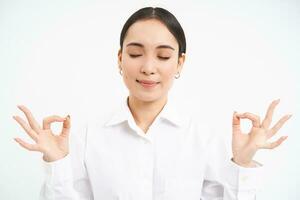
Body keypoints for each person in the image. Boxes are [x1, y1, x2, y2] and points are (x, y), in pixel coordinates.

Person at [13, 7, 292, 200]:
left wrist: (241, 164)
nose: (148, 67)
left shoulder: (203, 135)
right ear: (120, 59)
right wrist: (57, 163)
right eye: (135, 53)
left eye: (163, 56)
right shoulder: (87, 134)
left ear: (180, 62)